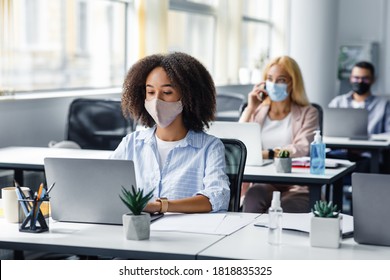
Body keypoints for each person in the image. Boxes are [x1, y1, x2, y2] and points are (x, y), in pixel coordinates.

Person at [110, 52, 230, 214]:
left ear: (189, 96)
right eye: (151, 92)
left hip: (188, 234)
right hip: (136, 230)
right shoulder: (131, 143)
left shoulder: (209, 147)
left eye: (167, 93)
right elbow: (106, 186)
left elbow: (218, 198)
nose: (156, 101)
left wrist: (161, 206)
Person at [239, 55, 319, 213]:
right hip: (263, 181)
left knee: (288, 206)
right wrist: (250, 108)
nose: (274, 84)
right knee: (253, 198)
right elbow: (237, 142)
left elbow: (301, 148)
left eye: (281, 80)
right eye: (270, 79)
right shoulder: (258, 111)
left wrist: (265, 154)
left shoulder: (309, 112)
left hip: (297, 183)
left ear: (292, 83)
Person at [329, 61, 390, 134]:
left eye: (365, 79)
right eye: (356, 78)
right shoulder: (337, 103)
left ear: (373, 80)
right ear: (350, 78)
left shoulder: (385, 105)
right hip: (342, 145)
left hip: (372, 145)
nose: (360, 81)